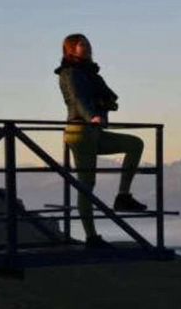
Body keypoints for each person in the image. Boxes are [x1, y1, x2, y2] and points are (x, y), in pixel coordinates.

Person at [54, 33, 148, 249]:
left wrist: (105, 103)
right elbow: (78, 99)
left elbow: (108, 96)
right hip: (80, 130)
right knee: (87, 184)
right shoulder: (69, 73)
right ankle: (91, 237)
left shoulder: (89, 72)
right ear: (69, 49)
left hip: (94, 131)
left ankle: (123, 196)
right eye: (80, 44)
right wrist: (93, 115)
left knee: (135, 143)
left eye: (87, 43)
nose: (85, 46)